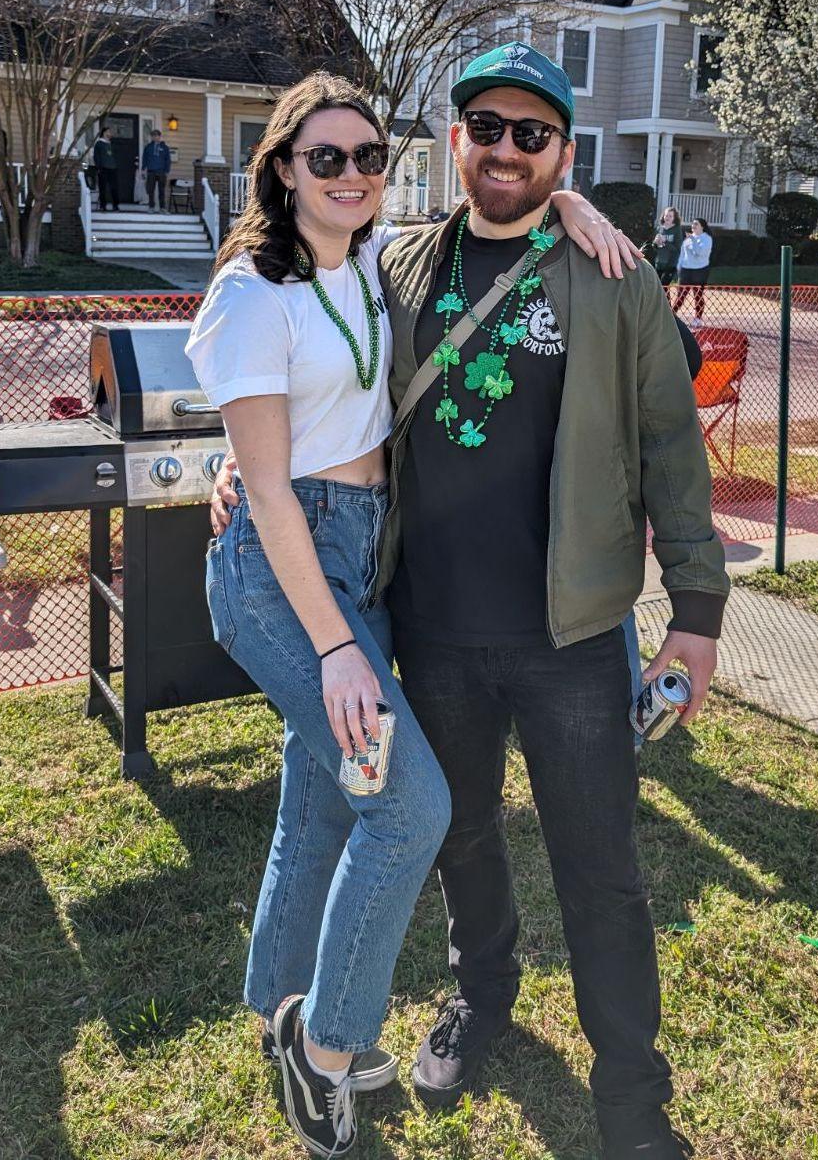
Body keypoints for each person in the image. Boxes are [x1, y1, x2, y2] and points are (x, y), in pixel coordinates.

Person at [189, 68, 633, 1158]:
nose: (350, 175)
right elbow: (269, 478)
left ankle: (273, 1011)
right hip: (292, 574)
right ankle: (328, 1050)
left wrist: (565, 202)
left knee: (321, 808)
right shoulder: (253, 290)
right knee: (409, 807)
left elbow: (493, 216)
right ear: (282, 168)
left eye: (368, 158)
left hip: (358, 553)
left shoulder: (375, 265)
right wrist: (337, 644)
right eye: (325, 158)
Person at [378, 41, 723, 1159]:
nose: (509, 151)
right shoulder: (397, 271)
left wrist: (700, 611)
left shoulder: (615, 279)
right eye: (489, 128)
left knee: (602, 867)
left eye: (535, 135)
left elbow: (673, 445)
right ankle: (484, 995)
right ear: (457, 142)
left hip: (572, 635)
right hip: (430, 628)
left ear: (563, 151)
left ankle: (631, 1092)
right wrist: (245, 458)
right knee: (460, 837)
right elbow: (321, 386)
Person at [671, 216, 713, 322]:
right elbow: (682, 254)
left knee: (698, 295)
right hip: (685, 270)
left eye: (696, 224)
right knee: (681, 295)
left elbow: (699, 253)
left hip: (700, 270)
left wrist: (693, 240)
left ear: (702, 227)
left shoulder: (706, 239)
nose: (693, 226)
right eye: (693, 224)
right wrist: (679, 267)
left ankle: (698, 318)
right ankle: (671, 316)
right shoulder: (688, 238)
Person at [651, 206, 683, 287]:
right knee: (658, 287)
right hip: (659, 263)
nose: (667, 217)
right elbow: (655, 247)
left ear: (674, 218)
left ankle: (664, 300)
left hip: (671, 264)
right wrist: (655, 243)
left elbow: (677, 249)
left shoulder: (677, 229)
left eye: (670, 216)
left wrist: (665, 241)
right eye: (666, 215)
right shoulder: (659, 228)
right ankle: (663, 300)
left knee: (664, 286)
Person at [91, 123, 120, 212]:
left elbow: (116, 155)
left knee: (114, 187)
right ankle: (103, 206)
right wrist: (98, 167)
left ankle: (115, 206)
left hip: (113, 168)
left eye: (110, 132)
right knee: (102, 187)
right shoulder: (99, 143)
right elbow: (96, 156)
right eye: (108, 132)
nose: (110, 133)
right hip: (103, 168)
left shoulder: (112, 143)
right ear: (104, 133)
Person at [142, 128, 172, 211]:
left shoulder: (165, 147)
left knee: (161, 190)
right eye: (153, 135)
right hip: (151, 171)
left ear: (160, 136)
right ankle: (151, 207)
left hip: (161, 172)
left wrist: (167, 171)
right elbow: (145, 158)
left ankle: (162, 207)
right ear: (151, 137)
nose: (155, 137)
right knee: (150, 190)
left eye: (157, 135)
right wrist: (143, 169)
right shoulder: (148, 147)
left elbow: (168, 160)